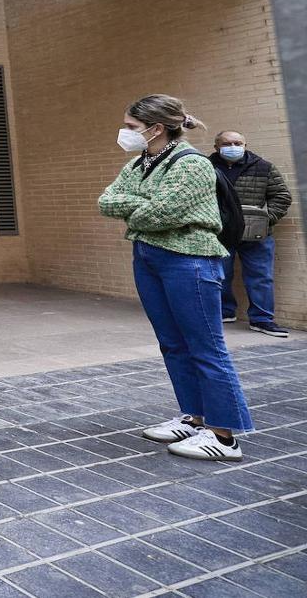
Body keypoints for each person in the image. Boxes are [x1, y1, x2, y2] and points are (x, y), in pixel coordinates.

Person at [99, 94, 253, 462]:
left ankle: (223, 435)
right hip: (149, 257)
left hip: (189, 260)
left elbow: (163, 213)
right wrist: (144, 206)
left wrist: (137, 207)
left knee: (206, 346)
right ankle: (195, 417)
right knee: (172, 342)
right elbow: (106, 201)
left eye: (132, 128)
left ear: (156, 128)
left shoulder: (192, 164)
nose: (126, 133)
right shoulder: (141, 163)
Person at [210, 131, 293, 337]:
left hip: (256, 235)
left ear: (245, 144)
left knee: (261, 277)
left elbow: (281, 196)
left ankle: (262, 320)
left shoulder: (263, 167)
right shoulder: (205, 166)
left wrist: (264, 220)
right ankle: (224, 312)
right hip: (220, 232)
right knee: (218, 275)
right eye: (227, 143)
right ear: (216, 147)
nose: (233, 146)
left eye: (238, 143)